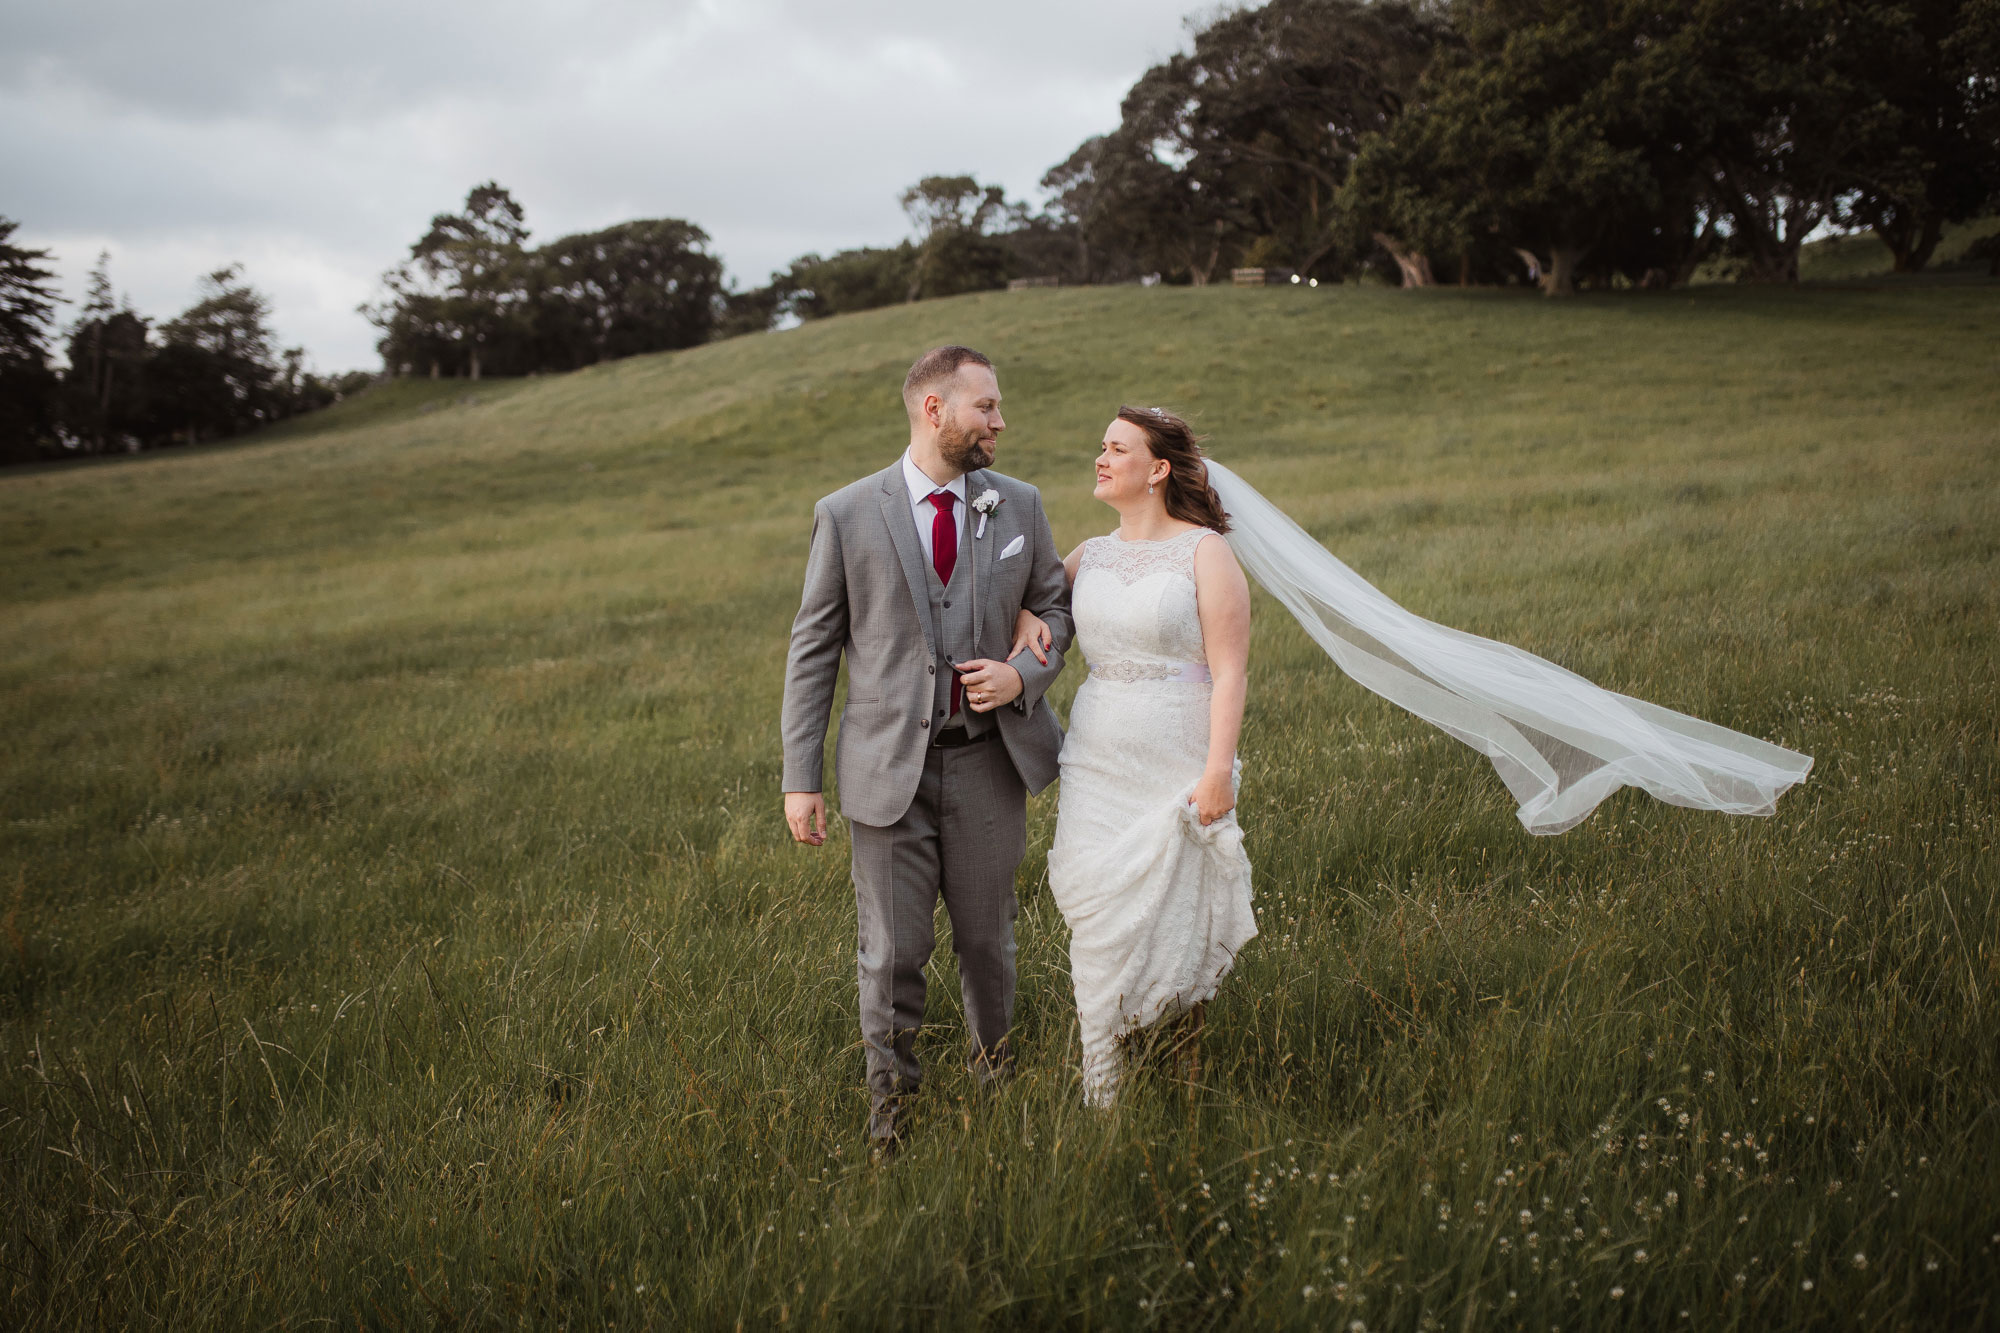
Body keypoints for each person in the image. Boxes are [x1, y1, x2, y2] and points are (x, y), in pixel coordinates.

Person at [1014, 406, 1814, 1107]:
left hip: (1177, 756)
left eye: (1117, 447)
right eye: (1102, 445)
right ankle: (1102, 1087)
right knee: (1094, 910)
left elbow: (1230, 672)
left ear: (1157, 469)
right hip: (1098, 756)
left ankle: (1174, 1076)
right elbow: (1042, 613)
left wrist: (1219, 767)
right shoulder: (1088, 555)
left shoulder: (1205, 555)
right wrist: (1024, 626)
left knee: (1174, 917)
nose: (1101, 457)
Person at [780, 345, 1073, 1156]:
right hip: (885, 774)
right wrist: (798, 777)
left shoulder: (1019, 504)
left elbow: (1055, 603)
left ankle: (998, 1085)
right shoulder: (845, 513)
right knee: (894, 952)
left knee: (989, 942)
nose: (1001, 422)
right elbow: (813, 648)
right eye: (987, 406)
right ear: (933, 410)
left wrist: (1023, 676)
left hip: (987, 764)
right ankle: (892, 1117)